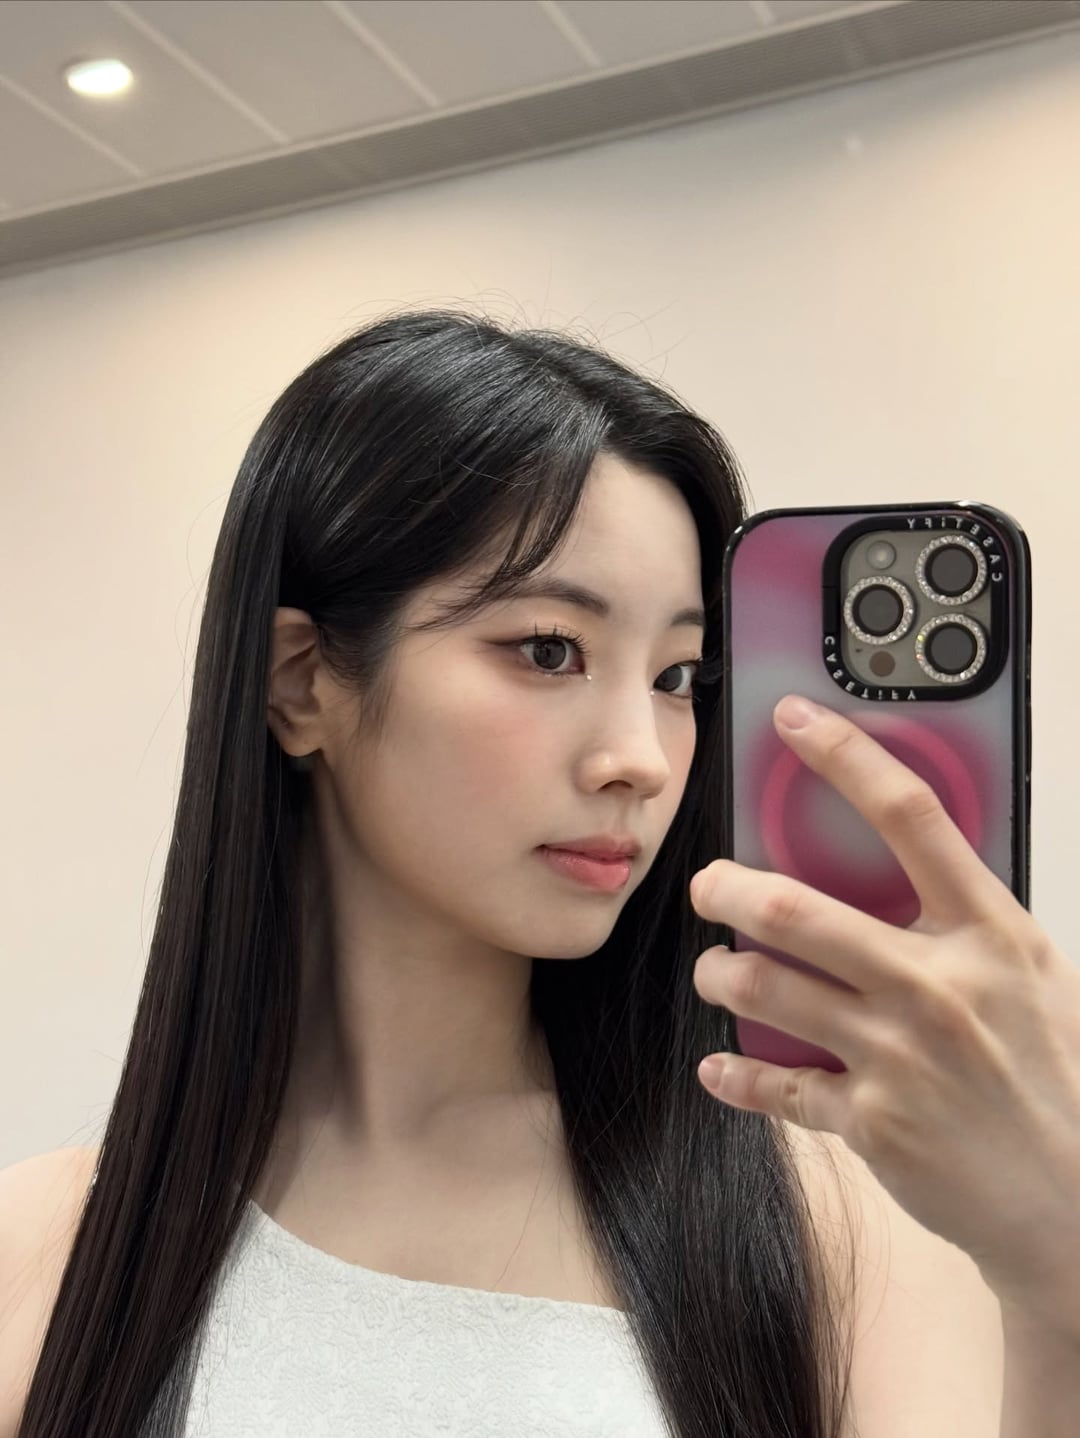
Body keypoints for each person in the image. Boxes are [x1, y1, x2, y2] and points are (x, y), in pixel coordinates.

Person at [3, 308, 1078, 1438]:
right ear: (301, 682)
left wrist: (1056, 1271)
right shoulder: (49, 1261)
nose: (641, 758)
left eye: (681, 677)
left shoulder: (828, 1234)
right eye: (549, 650)